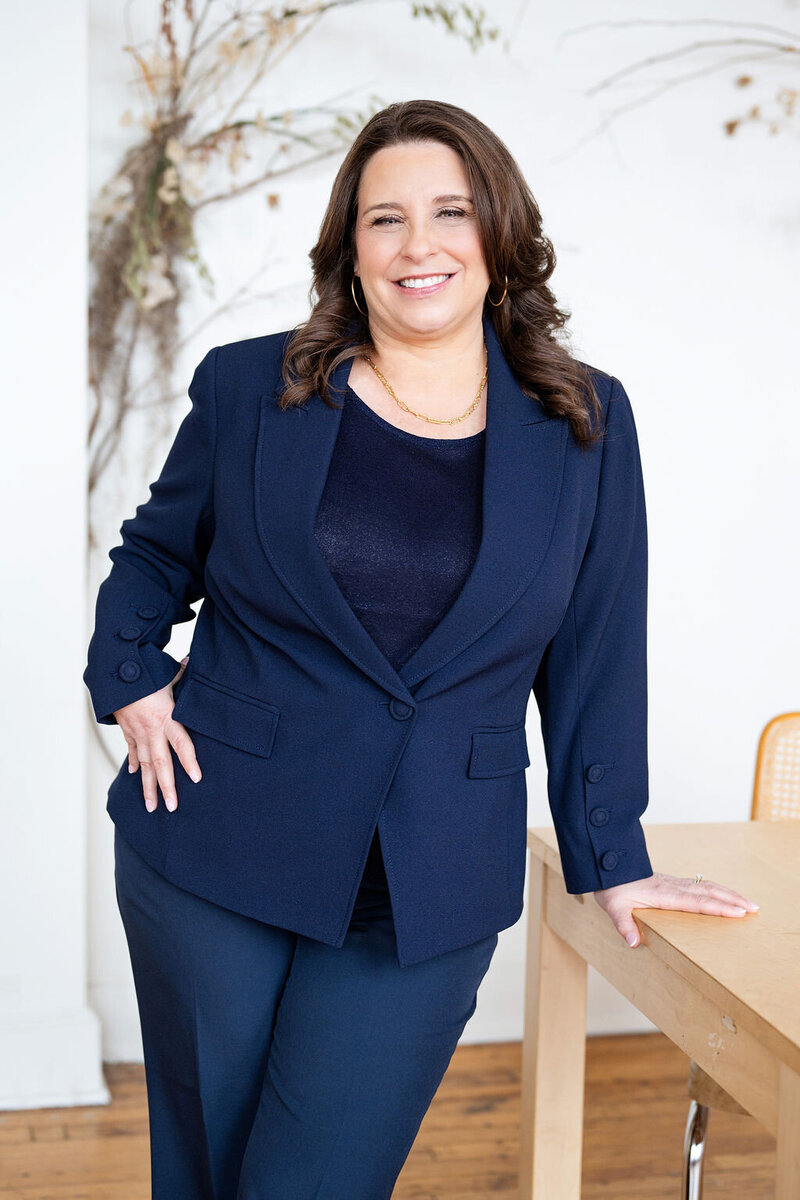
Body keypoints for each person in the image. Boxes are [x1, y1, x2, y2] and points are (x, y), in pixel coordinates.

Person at [84, 99, 758, 1200]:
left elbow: (593, 644)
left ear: (497, 233)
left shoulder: (583, 420)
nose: (418, 244)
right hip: (214, 848)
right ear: (350, 249)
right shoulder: (252, 388)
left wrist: (610, 855)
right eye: (382, 218)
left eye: (449, 211)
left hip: (429, 876)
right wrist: (128, 680)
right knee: (206, 1177)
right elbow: (158, 555)